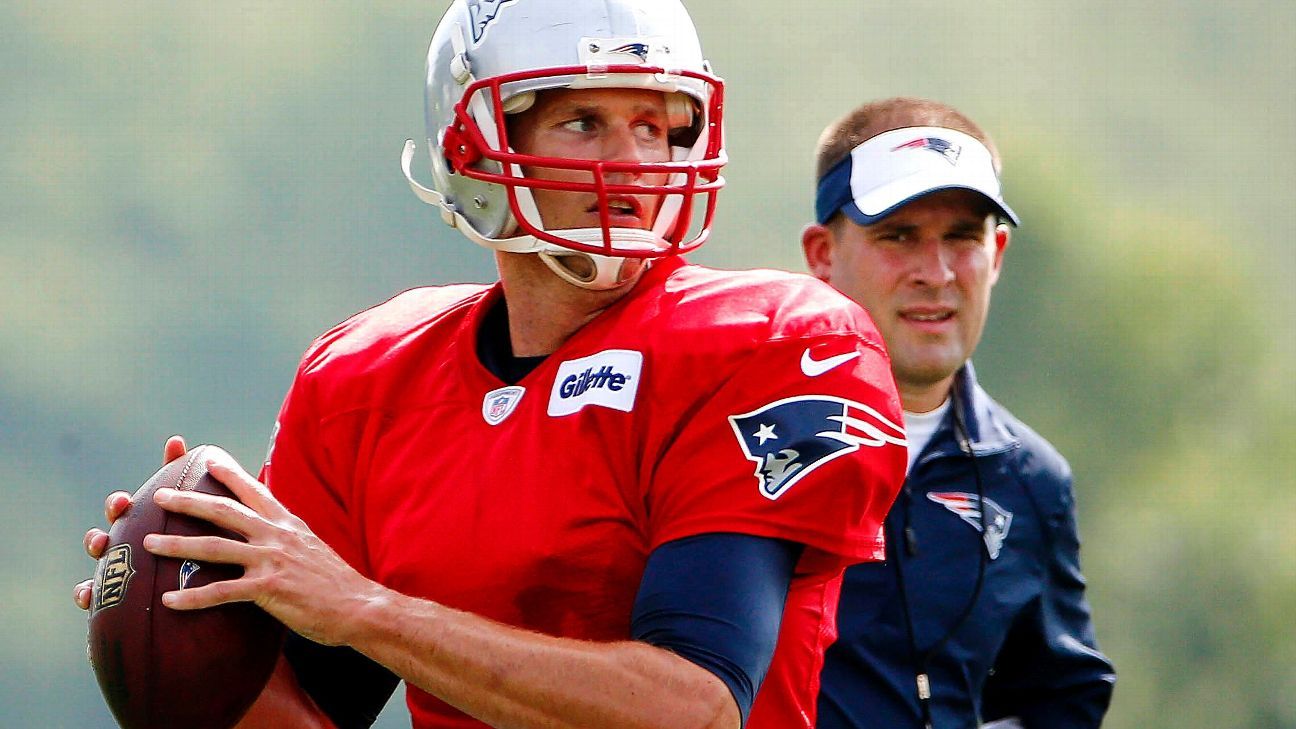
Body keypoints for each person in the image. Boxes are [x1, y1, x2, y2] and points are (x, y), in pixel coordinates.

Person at [74, 2, 908, 727]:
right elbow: (314, 709)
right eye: (584, 122)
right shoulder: (365, 381)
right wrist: (177, 637)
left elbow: (692, 706)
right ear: (474, 144)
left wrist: (361, 606)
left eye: (655, 126)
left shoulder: (771, 342)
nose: (630, 163)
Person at [800, 98, 1116, 728]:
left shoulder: (1031, 479)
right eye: (898, 235)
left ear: (996, 255)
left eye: (962, 238)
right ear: (822, 255)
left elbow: (1060, 697)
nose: (936, 273)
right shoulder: (743, 436)